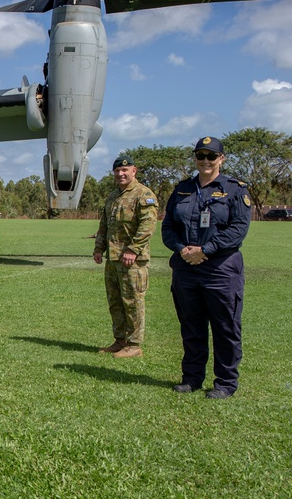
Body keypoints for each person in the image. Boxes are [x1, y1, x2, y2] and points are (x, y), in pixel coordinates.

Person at [162, 137, 252, 399]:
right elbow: (168, 227)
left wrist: (205, 250)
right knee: (191, 325)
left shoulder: (235, 190)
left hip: (221, 270)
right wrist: (182, 249)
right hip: (186, 268)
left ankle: (225, 383)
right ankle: (192, 378)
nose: (205, 160)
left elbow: (238, 230)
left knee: (226, 328)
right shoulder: (183, 189)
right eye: (200, 155)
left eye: (211, 156)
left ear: (221, 159)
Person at [93, 155, 159, 359]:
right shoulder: (113, 196)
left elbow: (147, 226)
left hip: (133, 260)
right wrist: (98, 248)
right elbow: (104, 225)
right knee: (115, 301)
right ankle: (120, 340)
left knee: (133, 301)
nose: (121, 174)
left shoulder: (144, 194)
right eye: (117, 171)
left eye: (125, 170)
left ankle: (134, 344)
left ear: (134, 171)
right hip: (112, 259)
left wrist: (133, 250)